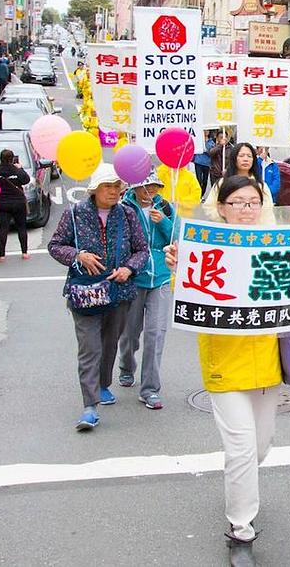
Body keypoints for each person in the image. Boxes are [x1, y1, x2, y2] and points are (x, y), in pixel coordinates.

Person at [164, 176, 290, 566]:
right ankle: (241, 530)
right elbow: (187, 299)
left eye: (253, 202)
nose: (247, 209)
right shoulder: (203, 246)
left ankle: (239, 480)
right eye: (238, 202)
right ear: (222, 208)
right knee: (242, 448)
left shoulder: (276, 245)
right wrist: (178, 266)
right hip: (224, 368)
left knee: (259, 447)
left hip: (266, 368)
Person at [48, 164, 150, 431]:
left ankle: (103, 383)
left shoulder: (127, 214)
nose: (114, 191)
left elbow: (142, 250)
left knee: (109, 343)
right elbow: (55, 245)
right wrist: (77, 256)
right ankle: (89, 407)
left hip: (119, 292)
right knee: (89, 347)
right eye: (108, 186)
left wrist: (129, 269)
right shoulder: (74, 214)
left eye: (117, 186)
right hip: (85, 293)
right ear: (95, 190)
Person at [117, 171, 174, 409]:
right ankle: (126, 365)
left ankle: (150, 389)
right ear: (135, 188)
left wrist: (164, 222)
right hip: (133, 278)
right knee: (130, 332)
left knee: (156, 333)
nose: (150, 191)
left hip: (160, 278)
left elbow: (176, 236)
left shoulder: (165, 207)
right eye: (145, 187)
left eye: (154, 187)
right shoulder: (124, 208)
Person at [203, 143, 275, 224]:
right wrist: (230, 218)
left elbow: (268, 213)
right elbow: (209, 208)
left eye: (249, 156)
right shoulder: (222, 183)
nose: (245, 159)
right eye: (241, 156)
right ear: (234, 158)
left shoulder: (261, 185)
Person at [0, 149, 31, 262]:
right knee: (21, 227)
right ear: (13, 158)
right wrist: (20, 168)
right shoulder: (17, 170)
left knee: (3, 228)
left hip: (2, 202)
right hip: (18, 202)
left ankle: (2, 255)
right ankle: (24, 252)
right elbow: (26, 180)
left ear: (0, 158)